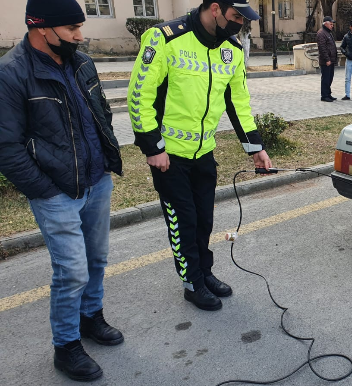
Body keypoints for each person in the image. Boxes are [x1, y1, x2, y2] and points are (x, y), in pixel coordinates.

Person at [0, 0, 124, 381]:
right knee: (71, 271)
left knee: (97, 259)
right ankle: (66, 346)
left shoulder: (81, 62)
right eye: (71, 29)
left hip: (96, 180)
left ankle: (91, 318)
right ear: (41, 29)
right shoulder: (11, 74)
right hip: (55, 192)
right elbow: (6, 146)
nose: (79, 35)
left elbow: (101, 113)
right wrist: (44, 191)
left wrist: (106, 161)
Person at [128, 0, 272, 312]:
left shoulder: (230, 50)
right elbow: (140, 94)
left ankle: (205, 272)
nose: (239, 25)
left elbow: (238, 103)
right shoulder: (165, 38)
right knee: (184, 221)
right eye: (235, 17)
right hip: (169, 156)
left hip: (204, 152)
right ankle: (192, 282)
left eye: (243, 20)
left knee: (204, 220)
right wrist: (153, 147)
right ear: (216, 9)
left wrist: (255, 147)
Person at [316, 16, 338, 102]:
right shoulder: (321, 33)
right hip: (326, 61)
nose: (332, 26)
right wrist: (327, 59)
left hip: (331, 60)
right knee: (325, 78)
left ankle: (328, 94)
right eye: (331, 24)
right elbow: (322, 48)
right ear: (325, 24)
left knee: (330, 78)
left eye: (332, 24)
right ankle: (324, 96)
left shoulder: (328, 32)